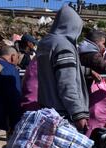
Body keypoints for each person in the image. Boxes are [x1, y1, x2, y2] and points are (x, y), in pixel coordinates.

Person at [37, 5, 89, 133]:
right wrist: (78, 114)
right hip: (64, 116)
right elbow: (67, 84)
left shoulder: (46, 43)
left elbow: (56, 70)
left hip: (47, 111)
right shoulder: (63, 46)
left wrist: (87, 71)